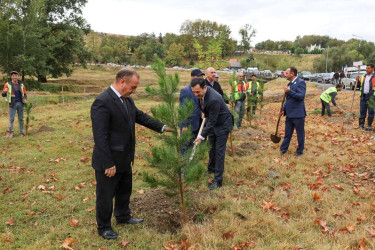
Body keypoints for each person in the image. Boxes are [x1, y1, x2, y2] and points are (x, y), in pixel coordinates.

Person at [91, 67, 171, 240]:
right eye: (133, 87)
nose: (134, 91)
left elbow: (140, 117)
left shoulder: (127, 100)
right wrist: (108, 163)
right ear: (122, 82)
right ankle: (104, 227)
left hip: (125, 157)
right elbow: (100, 137)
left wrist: (162, 127)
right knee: (105, 195)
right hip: (110, 161)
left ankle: (123, 216)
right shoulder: (102, 102)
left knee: (124, 190)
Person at [191, 78, 233, 190]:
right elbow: (208, 114)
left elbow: (212, 121)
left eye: (197, 92)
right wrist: (205, 113)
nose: (195, 94)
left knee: (219, 151)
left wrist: (201, 136)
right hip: (213, 121)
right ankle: (211, 169)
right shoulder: (203, 93)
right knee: (211, 147)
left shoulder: (213, 99)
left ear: (204, 88)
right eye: (193, 92)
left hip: (223, 124)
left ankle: (218, 180)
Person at [280, 67, 306, 156]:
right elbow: (288, 100)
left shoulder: (300, 82)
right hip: (289, 114)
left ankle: (300, 151)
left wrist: (289, 91)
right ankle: (283, 149)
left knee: (300, 134)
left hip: (298, 114)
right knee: (287, 133)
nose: (285, 74)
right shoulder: (289, 84)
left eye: (286, 73)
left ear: (292, 74)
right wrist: (284, 109)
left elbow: (301, 96)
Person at [179, 69, 205, 153]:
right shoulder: (186, 91)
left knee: (195, 146)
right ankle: (183, 162)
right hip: (189, 124)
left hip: (199, 123)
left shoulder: (201, 90)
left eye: (201, 77)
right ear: (192, 78)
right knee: (185, 145)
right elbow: (183, 109)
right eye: (198, 77)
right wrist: (184, 125)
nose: (201, 79)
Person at [1, 71, 27, 138]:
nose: (14, 77)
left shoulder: (21, 84)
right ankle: (11, 132)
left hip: (20, 103)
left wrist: (25, 99)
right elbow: (3, 95)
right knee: (11, 118)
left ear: (18, 76)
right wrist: (5, 91)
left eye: (16, 75)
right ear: (11, 77)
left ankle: (21, 132)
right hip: (12, 103)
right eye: (13, 75)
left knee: (21, 118)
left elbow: (25, 93)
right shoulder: (8, 84)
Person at [356, 64, 375, 131]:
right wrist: (357, 80)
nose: (367, 69)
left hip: (372, 97)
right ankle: (361, 125)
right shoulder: (364, 76)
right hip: (363, 96)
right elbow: (359, 85)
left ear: (373, 69)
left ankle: (369, 126)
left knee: (371, 112)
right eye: (366, 68)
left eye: (368, 68)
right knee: (362, 111)